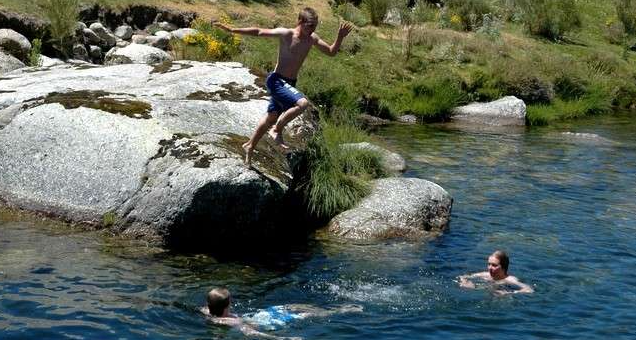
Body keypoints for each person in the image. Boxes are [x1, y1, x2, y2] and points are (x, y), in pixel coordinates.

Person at [214, 7, 354, 165]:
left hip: (289, 83)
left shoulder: (312, 38)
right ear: (300, 21)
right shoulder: (286, 34)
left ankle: (249, 145)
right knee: (303, 103)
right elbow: (259, 31)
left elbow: (331, 52)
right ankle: (277, 130)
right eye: (310, 25)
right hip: (276, 80)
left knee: (270, 117)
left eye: (315, 26)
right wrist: (232, 29)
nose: (312, 29)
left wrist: (340, 37)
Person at [201, 287, 362, 338]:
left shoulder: (208, 311)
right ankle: (342, 310)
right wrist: (283, 338)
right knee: (305, 314)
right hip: (269, 322)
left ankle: (338, 308)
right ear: (228, 304)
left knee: (291, 306)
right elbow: (252, 333)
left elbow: (204, 309)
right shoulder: (231, 322)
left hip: (262, 315)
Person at [458, 250, 534, 295]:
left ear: (503, 267)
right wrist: (465, 282)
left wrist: (509, 293)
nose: (490, 267)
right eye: (489, 264)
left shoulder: (511, 280)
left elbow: (529, 290)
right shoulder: (485, 275)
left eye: (494, 265)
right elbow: (463, 276)